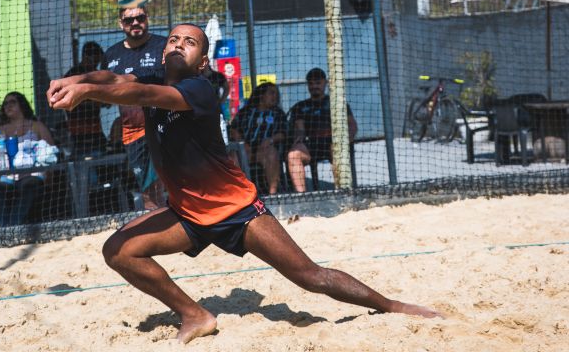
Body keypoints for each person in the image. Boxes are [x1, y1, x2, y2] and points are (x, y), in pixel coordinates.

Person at [47, 23, 442, 344]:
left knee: (309, 276)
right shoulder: (153, 76)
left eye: (189, 42)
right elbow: (114, 76)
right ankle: (195, 314)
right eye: (173, 39)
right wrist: (81, 78)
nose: (178, 44)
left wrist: (87, 92)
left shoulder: (198, 89)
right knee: (118, 251)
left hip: (237, 210)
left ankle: (390, 305)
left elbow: (137, 91)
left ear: (202, 62)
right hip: (187, 214)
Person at [103, 6, 167, 208]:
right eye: (129, 20)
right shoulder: (112, 54)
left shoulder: (162, 45)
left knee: (168, 184)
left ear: (148, 18)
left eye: (140, 17)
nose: (135, 23)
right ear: (120, 24)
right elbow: (106, 96)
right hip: (134, 132)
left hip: (165, 125)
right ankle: (160, 232)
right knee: (148, 192)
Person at [0, 92, 55, 226]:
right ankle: (6, 227)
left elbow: (51, 152)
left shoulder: (36, 126)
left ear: (22, 104)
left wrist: (47, 174)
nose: (8, 106)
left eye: (12, 102)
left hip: (32, 174)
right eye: (5, 104)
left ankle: (12, 226)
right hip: (6, 175)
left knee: (28, 184)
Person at [287, 68, 358, 192]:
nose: (314, 86)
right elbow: (300, 128)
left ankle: (342, 191)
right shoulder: (301, 106)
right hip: (311, 146)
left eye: (318, 83)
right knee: (293, 155)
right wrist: (298, 140)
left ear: (326, 82)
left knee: (336, 150)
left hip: (333, 143)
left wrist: (346, 140)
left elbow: (352, 125)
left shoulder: (337, 103)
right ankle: (301, 196)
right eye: (311, 83)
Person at [230, 82, 287, 194]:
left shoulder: (278, 113)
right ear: (261, 95)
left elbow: (283, 133)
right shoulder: (245, 112)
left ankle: (273, 193)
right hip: (246, 150)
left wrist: (270, 140)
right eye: (271, 93)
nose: (275, 96)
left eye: (276, 94)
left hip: (266, 150)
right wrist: (242, 144)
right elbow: (233, 129)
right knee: (233, 157)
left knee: (271, 153)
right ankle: (241, 194)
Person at [63, 41, 108, 159]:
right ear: (86, 57)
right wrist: (96, 101)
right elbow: (70, 101)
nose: (96, 65)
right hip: (77, 134)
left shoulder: (96, 76)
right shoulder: (73, 76)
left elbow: (105, 100)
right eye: (95, 61)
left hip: (95, 133)